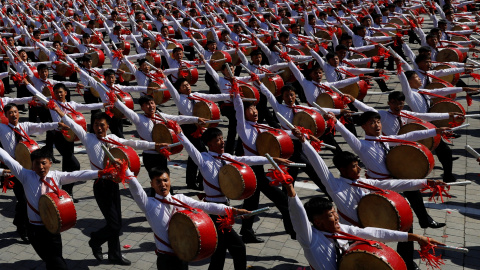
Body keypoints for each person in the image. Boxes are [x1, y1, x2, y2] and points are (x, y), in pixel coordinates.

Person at [52, 104, 166, 266]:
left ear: (107, 126)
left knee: (117, 222)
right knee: (114, 224)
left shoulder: (112, 139)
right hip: (100, 186)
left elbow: (131, 143)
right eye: (96, 124)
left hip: (114, 185)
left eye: (102, 125)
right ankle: (95, 240)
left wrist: (154, 145)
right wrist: (60, 113)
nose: (99, 128)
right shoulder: (88, 138)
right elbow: (73, 125)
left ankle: (115, 254)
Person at [178, 127, 290, 269]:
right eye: (217, 140)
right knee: (238, 248)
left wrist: (271, 159)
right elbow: (189, 147)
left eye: (221, 138)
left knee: (220, 253)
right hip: (215, 212)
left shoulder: (227, 157)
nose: (222, 142)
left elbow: (246, 159)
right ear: (209, 144)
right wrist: (179, 132)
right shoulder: (204, 159)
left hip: (224, 209)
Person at [0, 146, 113, 270]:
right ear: (32, 165)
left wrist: (99, 173)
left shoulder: (56, 176)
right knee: (55, 262)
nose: (41, 167)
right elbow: (7, 159)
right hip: (35, 229)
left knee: (55, 259)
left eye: (44, 163)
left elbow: (77, 175)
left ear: (50, 163)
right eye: (37, 164)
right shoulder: (25, 175)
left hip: (53, 228)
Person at [285, 182, 443, 270]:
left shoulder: (344, 230)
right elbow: (298, 216)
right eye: (331, 215)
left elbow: (375, 233)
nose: (336, 216)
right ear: (318, 222)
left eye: (335, 212)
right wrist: (291, 191)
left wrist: (414, 237)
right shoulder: (311, 238)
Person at [127, 166, 249, 270]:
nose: (163, 184)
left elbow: (205, 206)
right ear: (152, 184)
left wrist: (231, 210)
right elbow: (135, 188)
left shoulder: (180, 199)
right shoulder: (149, 204)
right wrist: (125, 169)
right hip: (166, 260)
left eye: (165, 180)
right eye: (158, 181)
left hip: (184, 256)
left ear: (170, 181)